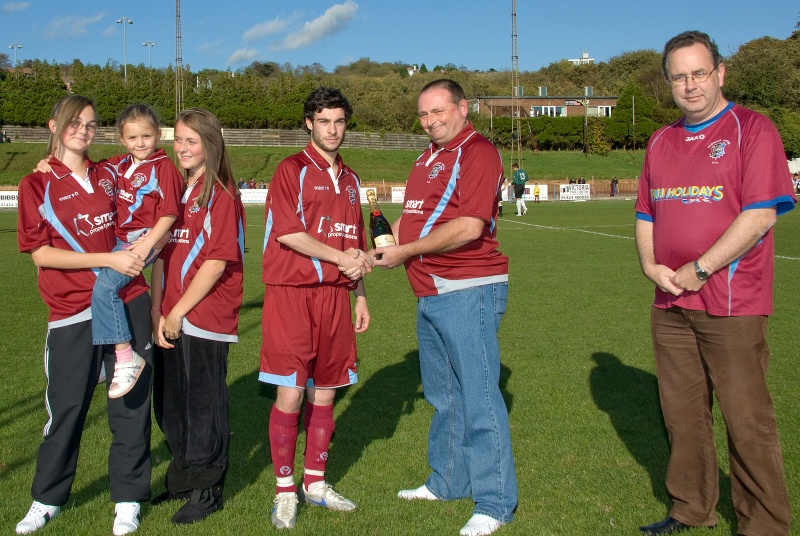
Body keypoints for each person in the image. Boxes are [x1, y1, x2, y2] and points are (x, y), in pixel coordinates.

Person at [634, 30, 795, 536]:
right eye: (678, 76)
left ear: (720, 73)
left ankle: (764, 525)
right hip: (670, 303)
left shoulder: (753, 128)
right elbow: (645, 214)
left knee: (746, 421)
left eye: (698, 73)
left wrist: (701, 268)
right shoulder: (660, 139)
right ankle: (690, 508)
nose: (690, 85)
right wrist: (650, 267)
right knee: (682, 416)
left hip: (731, 300)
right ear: (668, 83)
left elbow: (760, 216)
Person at [373, 79, 517, 536]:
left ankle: (495, 503)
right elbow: (412, 216)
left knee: (478, 396)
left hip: (468, 286)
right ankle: (448, 481)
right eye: (423, 114)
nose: (431, 121)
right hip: (430, 288)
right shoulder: (426, 157)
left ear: (463, 107)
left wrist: (405, 250)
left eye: (439, 111)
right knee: (443, 395)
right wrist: (382, 248)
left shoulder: (478, 153)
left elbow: (471, 226)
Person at [16, 95, 153, 536]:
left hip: (128, 299)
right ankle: (46, 499)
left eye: (91, 125)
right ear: (54, 123)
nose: (83, 130)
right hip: (71, 310)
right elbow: (40, 254)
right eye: (74, 122)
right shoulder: (34, 184)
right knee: (67, 408)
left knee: (130, 405)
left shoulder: (109, 172)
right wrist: (106, 259)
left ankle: (128, 499)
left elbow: (153, 159)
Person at [260, 87, 372, 530]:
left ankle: (316, 483)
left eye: (339, 121)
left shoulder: (352, 178)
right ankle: (284, 491)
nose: (332, 129)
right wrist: (342, 258)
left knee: (325, 391)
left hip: (335, 298)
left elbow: (355, 245)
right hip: (292, 292)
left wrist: (360, 293)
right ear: (309, 122)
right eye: (324, 121)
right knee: (290, 392)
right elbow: (288, 233)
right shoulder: (291, 170)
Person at [150, 108, 245, 525]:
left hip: (203, 317)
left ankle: (209, 489)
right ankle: (184, 478)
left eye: (193, 140)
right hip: (169, 315)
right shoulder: (179, 190)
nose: (183, 148)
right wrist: (158, 310)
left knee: (204, 404)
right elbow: (160, 256)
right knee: (172, 403)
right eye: (179, 139)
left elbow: (217, 262)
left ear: (210, 144)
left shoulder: (221, 193)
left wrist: (178, 312)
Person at [89, 104, 182, 399]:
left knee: (104, 289)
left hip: (143, 241)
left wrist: (146, 244)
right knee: (98, 285)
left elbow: (169, 213)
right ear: (121, 139)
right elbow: (90, 167)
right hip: (121, 241)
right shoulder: (120, 164)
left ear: (158, 134)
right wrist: (49, 162)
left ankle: (126, 358)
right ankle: (113, 357)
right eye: (132, 138)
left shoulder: (163, 167)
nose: (140, 143)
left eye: (146, 136)